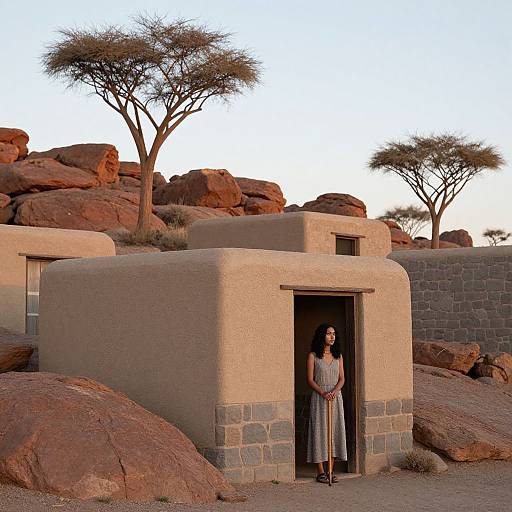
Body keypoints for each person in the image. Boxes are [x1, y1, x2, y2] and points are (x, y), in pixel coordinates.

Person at [306, 323, 347, 483]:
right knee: (320, 431)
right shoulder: (313, 356)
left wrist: (335, 391)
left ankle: (331, 470)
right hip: (320, 397)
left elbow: (342, 378)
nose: (332, 337)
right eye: (329, 333)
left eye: (334, 334)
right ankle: (320, 472)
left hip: (335, 397)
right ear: (321, 335)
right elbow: (310, 379)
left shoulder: (339, 356)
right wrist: (323, 392)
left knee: (334, 431)